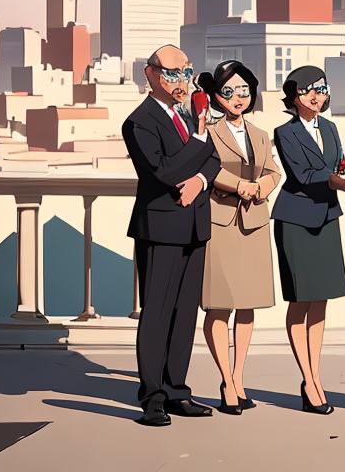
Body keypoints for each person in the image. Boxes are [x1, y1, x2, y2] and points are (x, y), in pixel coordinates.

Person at [122, 45, 222, 427]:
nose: (181, 81)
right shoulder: (140, 121)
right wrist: (197, 146)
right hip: (161, 227)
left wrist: (199, 180)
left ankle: (177, 390)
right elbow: (160, 172)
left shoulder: (190, 116)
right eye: (172, 73)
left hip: (195, 224)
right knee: (157, 313)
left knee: (184, 315)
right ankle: (152, 397)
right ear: (150, 74)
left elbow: (213, 159)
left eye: (186, 72)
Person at [197, 60, 281, 416]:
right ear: (217, 96)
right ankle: (225, 381)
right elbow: (206, 167)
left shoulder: (261, 134)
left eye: (244, 90)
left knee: (247, 305)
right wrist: (240, 185)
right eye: (229, 92)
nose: (238, 98)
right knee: (219, 303)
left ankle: (238, 377)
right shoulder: (209, 131)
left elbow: (274, 170)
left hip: (254, 223)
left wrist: (261, 185)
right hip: (220, 223)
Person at [272, 65, 345, 415]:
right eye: (308, 91)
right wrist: (335, 181)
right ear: (293, 97)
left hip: (326, 217)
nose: (316, 96)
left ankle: (315, 374)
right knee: (300, 300)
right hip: (296, 218)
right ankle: (308, 379)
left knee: (321, 300)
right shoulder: (285, 132)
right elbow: (302, 175)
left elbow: (338, 161)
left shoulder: (332, 128)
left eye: (320, 89)